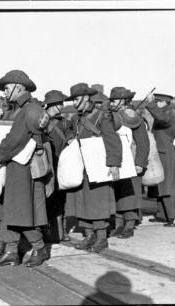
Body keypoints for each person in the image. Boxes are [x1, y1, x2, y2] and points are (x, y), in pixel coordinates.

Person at [0, 70, 50, 267]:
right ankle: (12, 251)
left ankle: (39, 248)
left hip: (21, 167)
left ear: (18, 87)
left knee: (20, 212)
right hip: (18, 165)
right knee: (11, 210)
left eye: (7, 88)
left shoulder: (28, 109)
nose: (5, 92)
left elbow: (16, 139)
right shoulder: (28, 108)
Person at [64, 83, 122, 253]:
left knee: (98, 203)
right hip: (81, 167)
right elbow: (69, 132)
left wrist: (114, 164)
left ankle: (102, 238)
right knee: (82, 202)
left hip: (98, 166)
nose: (74, 103)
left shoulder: (102, 116)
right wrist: (69, 139)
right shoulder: (76, 118)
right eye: (73, 100)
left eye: (76, 99)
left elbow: (112, 141)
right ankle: (89, 236)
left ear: (86, 98)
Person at [109, 87, 150, 238]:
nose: (111, 102)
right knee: (117, 192)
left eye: (114, 100)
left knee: (130, 194)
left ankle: (129, 225)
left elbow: (143, 142)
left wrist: (140, 163)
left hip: (132, 162)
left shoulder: (132, 116)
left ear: (122, 100)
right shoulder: (112, 115)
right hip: (116, 160)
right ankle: (119, 225)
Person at [146, 93, 175, 227]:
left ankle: (174, 217)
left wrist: (150, 104)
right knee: (160, 186)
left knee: (167, 187)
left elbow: (160, 118)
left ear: (163, 102)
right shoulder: (163, 113)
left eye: (157, 102)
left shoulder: (166, 114)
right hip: (161, 154)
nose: (155, 104)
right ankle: (163, 215)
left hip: (165, 155)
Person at [43, 90, 70, 242]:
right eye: (57, 104)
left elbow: (71, 136)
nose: (60, 107)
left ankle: (61, 232)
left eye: (61, 104)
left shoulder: (63, 122)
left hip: (61, 164)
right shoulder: (42, 120)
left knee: (60, 199)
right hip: (46, 166)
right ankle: (47, 231)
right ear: (50, 105)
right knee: (47, 198)